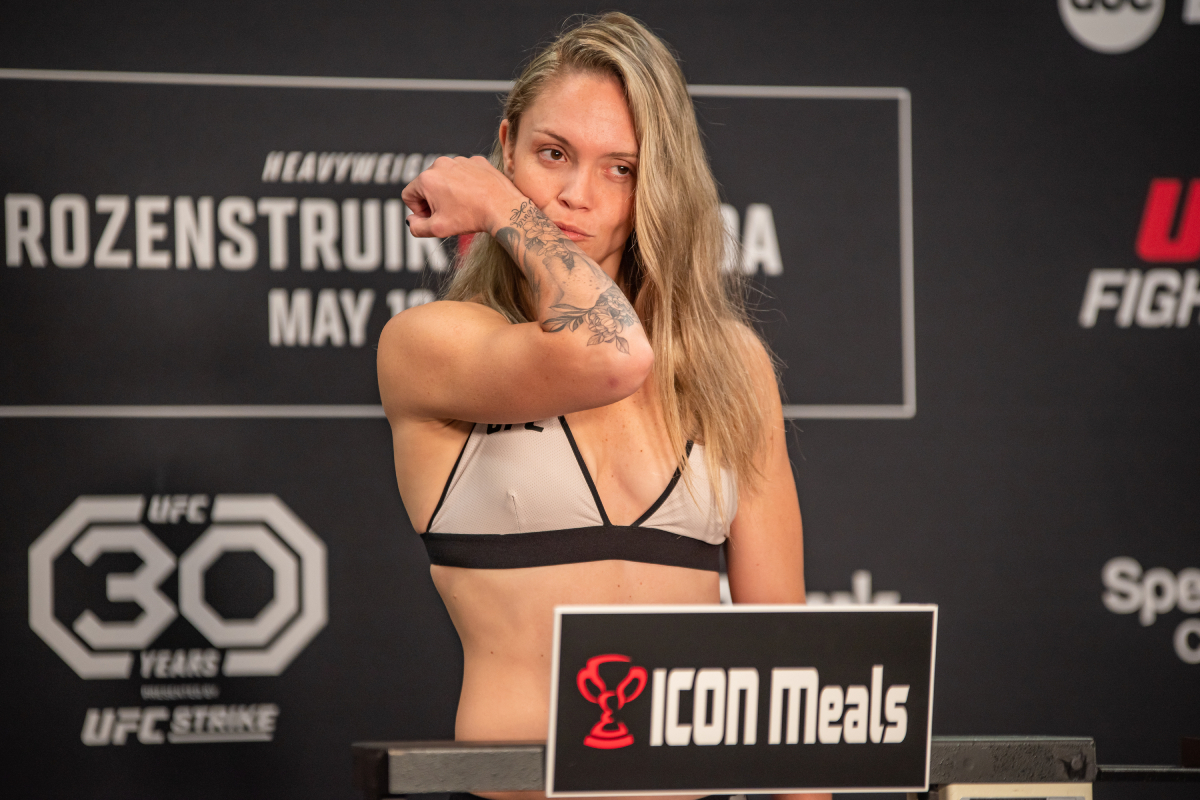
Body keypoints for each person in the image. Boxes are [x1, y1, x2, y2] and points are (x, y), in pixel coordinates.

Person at [378, 12, 821, 800]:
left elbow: (785, 657)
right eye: (553, 154)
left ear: (657, 186)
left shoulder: (730, 366)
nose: (575, 195)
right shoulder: (433, 344)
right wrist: (503, 207)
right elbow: (610, 355)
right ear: (506, 146)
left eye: (620, 168)